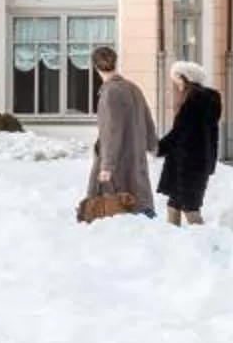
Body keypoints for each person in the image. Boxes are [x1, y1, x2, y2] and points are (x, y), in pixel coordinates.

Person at [82, 43, 157, 219]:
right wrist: (151, 144)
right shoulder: (133, 88)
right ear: (115, 63)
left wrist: (107, 166)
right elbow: (148, 119)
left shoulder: (110, 92)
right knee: (139, 199)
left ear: (95, 67)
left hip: (117, 160)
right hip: (135, 157)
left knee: (109, 206)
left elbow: (111, 131)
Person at [158, 61, 221, 225]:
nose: (175, 83)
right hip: (198, 163)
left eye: (176, 79)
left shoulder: (193, 101)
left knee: (189, 207)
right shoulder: (208, 100)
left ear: (183, 77)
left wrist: (157, 147)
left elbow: (179, 133)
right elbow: (212, 136)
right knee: (175, 204)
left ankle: (202, 244)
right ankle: (176, 243)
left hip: (187, 165)